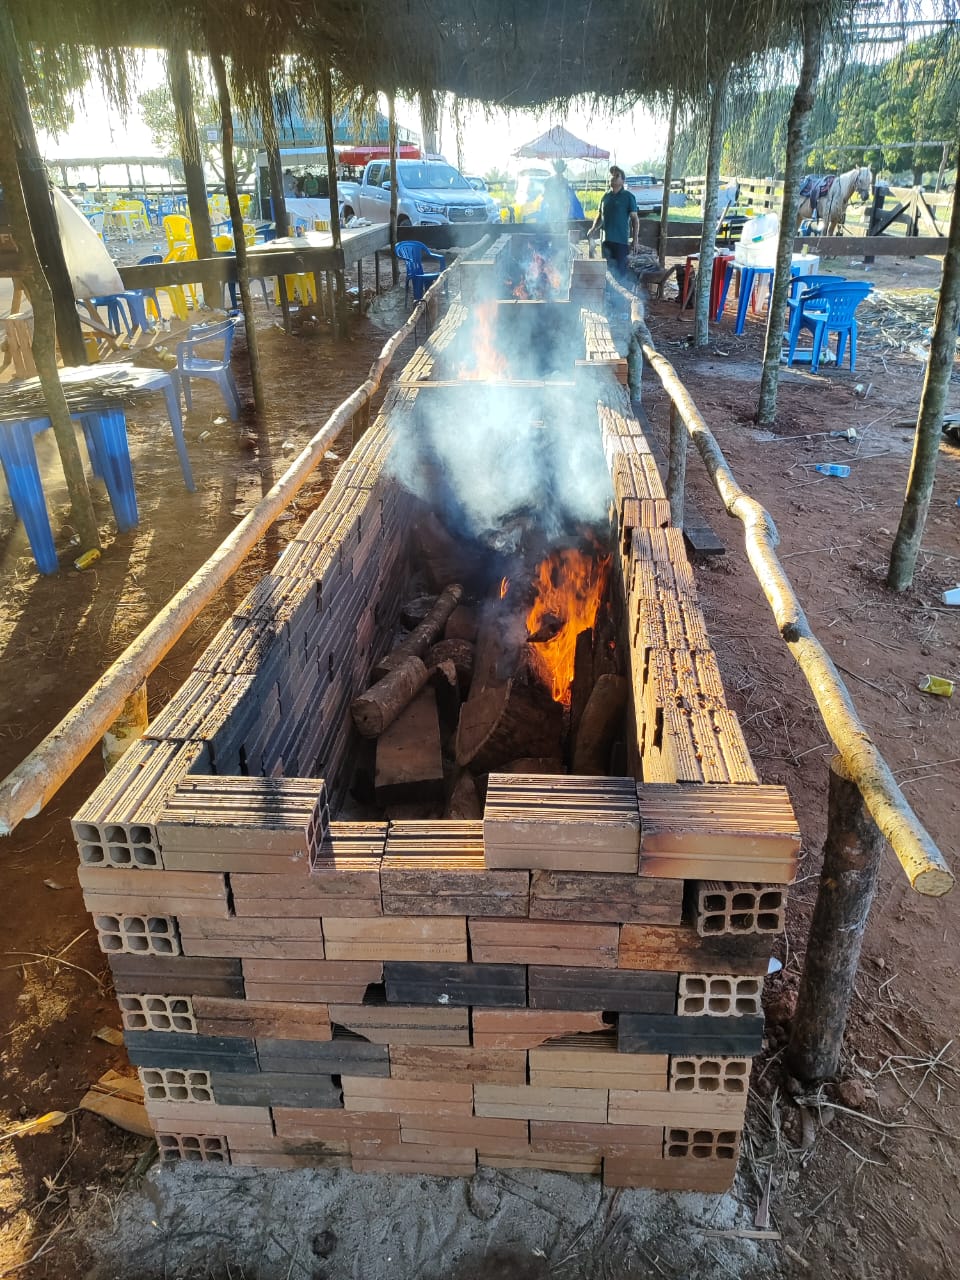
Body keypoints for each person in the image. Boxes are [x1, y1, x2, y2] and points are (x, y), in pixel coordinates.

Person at [588, 165, 639, 279]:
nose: (613, 178)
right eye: (611, 175)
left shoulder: (628, 197)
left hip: (621, 242)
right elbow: (600, 216)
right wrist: (593, 228)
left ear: (623, 181)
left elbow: (635, 219)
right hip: (606, 241)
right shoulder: (605, 197)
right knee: (608, 273)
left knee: (621, 274)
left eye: (617, 176)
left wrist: (635, 239)